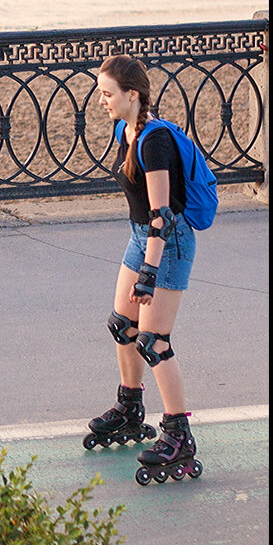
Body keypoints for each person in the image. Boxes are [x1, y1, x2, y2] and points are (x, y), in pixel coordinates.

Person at [86, 54, 200, 483]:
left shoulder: (154, 143)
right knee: (123, 325)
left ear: (132, 94)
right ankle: (130, 407)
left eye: (108, 93)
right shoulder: (125, 129)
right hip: (141, 238)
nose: (102, 101)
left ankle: (179, 434)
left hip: (166, 244)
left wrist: (148, 275)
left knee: (155, 341)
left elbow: (162, 216)